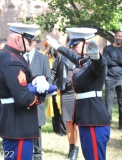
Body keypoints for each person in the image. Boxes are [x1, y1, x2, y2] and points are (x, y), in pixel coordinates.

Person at [46, 27, 111, 160]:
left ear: (86, 44)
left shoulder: (95, 62)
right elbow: (73, 56)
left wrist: (96, 56)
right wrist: (59, 47)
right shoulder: (83, 61)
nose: (72, 48)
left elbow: (99, 65)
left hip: (94, 119)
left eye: (75, 45)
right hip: (85, 117)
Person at [0, 23, 50, 160]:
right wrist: (40, 97)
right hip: (17, 122)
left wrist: (36, 79)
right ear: (18, 39)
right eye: (29, 40)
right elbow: (23, 98)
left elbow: (19, 83)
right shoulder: (12, 60)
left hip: (14, 120)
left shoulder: (8, 56)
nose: (31, 44)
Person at [24, 40, 52, 160]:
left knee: (37, 129)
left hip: (37, 101)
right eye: (27, 41)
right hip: (23, 100)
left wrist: (42, 94)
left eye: (31, 41)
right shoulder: (19, 58)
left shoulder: (42, 59)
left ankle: (37, 154)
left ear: (34, 42)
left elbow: (49, 80)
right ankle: (26, 152)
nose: (28, 44)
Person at [102, 31, 122, 130]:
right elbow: (106, 61)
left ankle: (121, 125)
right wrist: (120, 59)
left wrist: (115, 59)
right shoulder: (107, 48)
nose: (120, 38)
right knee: (108, 102)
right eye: (118, 36)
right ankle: (107, 123)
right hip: (109, 78)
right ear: (115, 36)